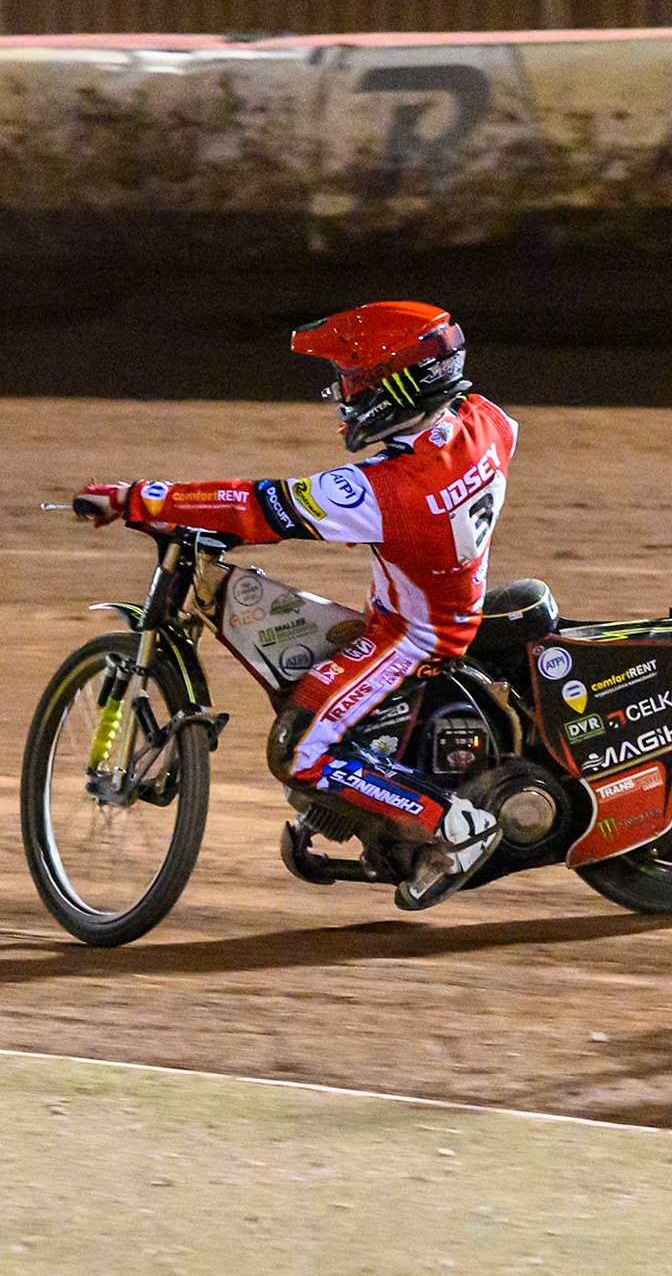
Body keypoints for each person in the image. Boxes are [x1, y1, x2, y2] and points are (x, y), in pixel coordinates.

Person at [74, 301, 519, 910]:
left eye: (357, 380)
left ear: (401, 384)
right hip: (438, 604)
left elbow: (256, 506)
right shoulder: (484, 424)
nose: (344, 392)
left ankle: (454, 826)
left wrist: (138, 500)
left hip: (413, 635)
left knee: (298, 747)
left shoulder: (387, 491)